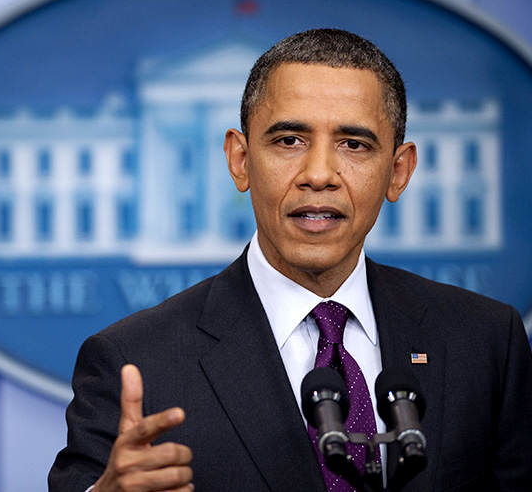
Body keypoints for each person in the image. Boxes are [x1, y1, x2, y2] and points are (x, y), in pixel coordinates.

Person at [48, 29, 532, 491]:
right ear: (240, 160)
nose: (319, 174)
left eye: (354, 145)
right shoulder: (135, 361)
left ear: (398, 171)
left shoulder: (486, 342)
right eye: (289, 141)